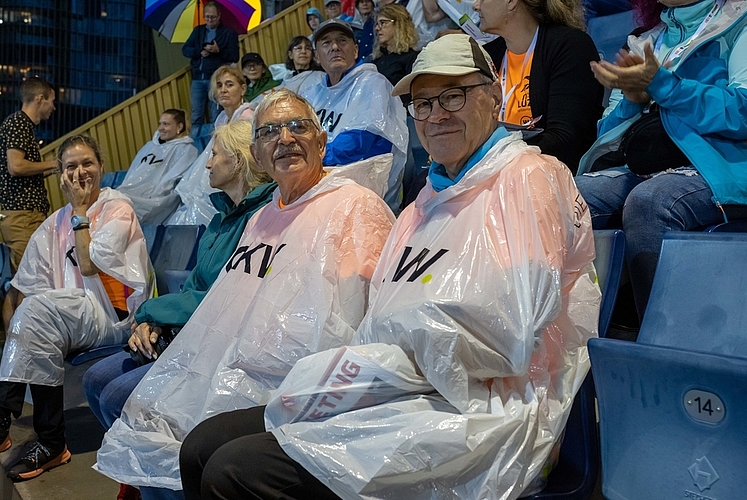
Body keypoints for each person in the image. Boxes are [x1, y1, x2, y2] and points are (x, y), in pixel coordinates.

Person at [180, 34, 599, 500]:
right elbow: (381, 317)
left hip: (481, 411)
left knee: (233, 471)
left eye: (453, 95)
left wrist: (395, 350)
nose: (436, 114)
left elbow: (508, 340)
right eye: (422, 103)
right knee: (202, 445)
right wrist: (379, 360)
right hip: (400, 387)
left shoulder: (528, 179)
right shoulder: (425, 201)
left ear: (493, 95)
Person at [93, 89, 395, 498]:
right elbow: (227, 305)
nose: (285, 138)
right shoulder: (265, 216)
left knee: (200, 445)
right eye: (270, 131)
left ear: (321, 141)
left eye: (297, 126)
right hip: (236, 367)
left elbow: (366, 322)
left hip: (299, 384)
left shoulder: (356, 207)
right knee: (149, 412)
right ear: (257, 151)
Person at [83, 120, 276, 500]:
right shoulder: (221, 218)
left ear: (238, 161)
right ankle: (141, 478)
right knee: (95, 381)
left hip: (213, 340)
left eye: (215, 154)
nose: (207, 164)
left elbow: (219, 298)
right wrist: (152, 319)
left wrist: (151, 312)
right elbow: (192, 287)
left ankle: (165, 486)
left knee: (118, 396)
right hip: (184, 329)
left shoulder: (260, 219)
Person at [576, 0, 747, 320]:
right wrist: (633, 100)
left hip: (721, 166)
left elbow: (744, 112)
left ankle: (663, 348)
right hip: (648, 165)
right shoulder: (646, 40)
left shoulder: (741, 20)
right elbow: (607, 132)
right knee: (561, 196)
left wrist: (664, 86)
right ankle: (565, 352)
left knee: (652, 200)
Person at [0, 135, 152, 482]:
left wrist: (82, 213)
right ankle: (22, 428)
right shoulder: (54, 221)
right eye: (70, 166)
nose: (80, 172)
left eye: (87, 163)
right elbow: (22, 290)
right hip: (71, 317)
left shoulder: (118, 207)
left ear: (101, 167)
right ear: (60, 175)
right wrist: (17, 332)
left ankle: (40, 436)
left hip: (113, 317)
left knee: (37, 313)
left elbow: (87, 265)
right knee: (31, 312)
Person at [473, 0, 604, 173]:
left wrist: (484, 157)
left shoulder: (570, 46)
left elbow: (563, 139)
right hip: (497, 166)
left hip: (551, 173)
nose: (475, 5)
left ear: (512, 2)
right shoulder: (486, 56)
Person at [303, 18, 408, 212]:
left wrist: (309, 157)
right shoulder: (311, 93)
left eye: (342, 40)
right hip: (318, 184)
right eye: (326, 42)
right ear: (317, 56)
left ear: (356, 50)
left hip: (364, 195)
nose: (335, 47)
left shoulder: (374, 84)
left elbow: (361, 142)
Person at [168, 66, 253, 226]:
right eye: (219, 85)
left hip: (237, 178)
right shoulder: (221, 118)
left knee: (198, 207)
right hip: (222, 171)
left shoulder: (247, 116)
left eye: (229, 85)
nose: (223, 90)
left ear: (242, 89)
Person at [0, 77, 59, 274]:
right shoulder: (19, 123)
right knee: (29, 279)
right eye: (52, 101)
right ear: (40, 98)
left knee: (20, 282)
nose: (54, 107)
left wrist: (56, 168)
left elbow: (25, 172)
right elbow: (16, 167)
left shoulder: (22, 125)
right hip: (23, 215)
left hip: (24, 215)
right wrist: (55, 163)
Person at [117, 109, 199, 225]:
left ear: (179, 127)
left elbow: (171, 183)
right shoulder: (149, 146)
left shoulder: (187, 151)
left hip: (159, 200)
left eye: (166, 124)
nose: (160, 128)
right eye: (160, 124)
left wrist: (152, 197)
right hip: (134, 194)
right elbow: (132, 175)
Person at [182, 2, 240, 136]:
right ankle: (197, 146)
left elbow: (234, 56)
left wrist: (218, 51)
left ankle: (214, 145)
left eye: (212, 17)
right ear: (203, 16)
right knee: (196, 116)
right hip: (197, 78)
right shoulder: (198, 31)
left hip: (217, 80)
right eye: (207, 17)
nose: (209, 20)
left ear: (219, 16)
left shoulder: (228, 33)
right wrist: (199, 51)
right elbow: (185, 50)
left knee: (217, 116)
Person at [372, 4, 420, 92]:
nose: (377, 28)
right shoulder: (377, 60)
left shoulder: (412, 58)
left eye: (383, 22)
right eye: (377, 24)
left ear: (399, 24)